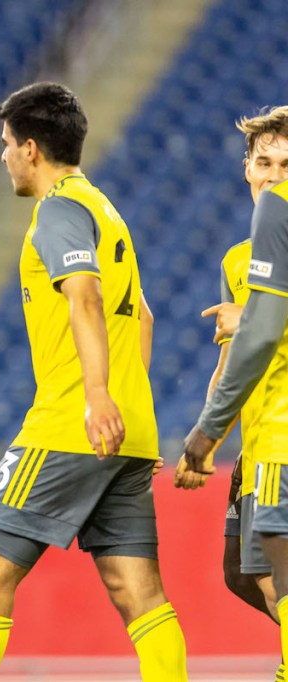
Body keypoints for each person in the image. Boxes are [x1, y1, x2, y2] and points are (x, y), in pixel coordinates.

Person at [0, 83, 187, 682]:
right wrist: (125, 401)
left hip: (70, 422)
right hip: (128, 434)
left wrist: (97, 395)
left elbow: (85, 294)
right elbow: (145, 319)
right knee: (138, 590)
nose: (2, 157)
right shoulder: (106, 210)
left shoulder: (56, 210)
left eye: (6, 145)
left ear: (31, 149)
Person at [176, 109, 288, 645]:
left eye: (286, 164)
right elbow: (231, 359)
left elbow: (261, 329)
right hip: (262, 436)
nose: (273, 175)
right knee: (245, 574)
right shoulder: (238, 259)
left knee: (277, 574)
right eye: (264, 162)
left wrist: (256, 317)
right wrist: (212, 433)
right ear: (246, 167)